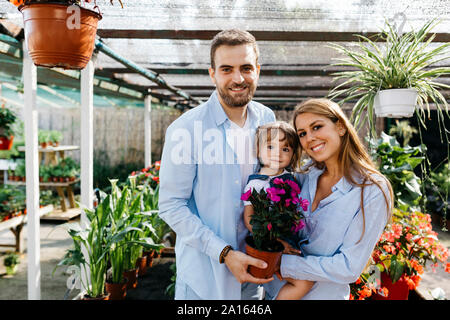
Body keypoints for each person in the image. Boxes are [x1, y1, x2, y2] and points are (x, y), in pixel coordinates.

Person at [158, 29, 277, 300]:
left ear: (257, 70)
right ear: (212, 74)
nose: (238, 78)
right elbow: (171, 205)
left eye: (246, 68)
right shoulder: (186, 129)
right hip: (205, 279)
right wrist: (224, 253)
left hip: (256, 276)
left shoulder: (267, 120)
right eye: (227, 69)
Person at [266, 98, 394, 300]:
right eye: (302, 134)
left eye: (317, 127)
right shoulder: (305, 175)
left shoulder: (372, 189)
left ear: (341, 127)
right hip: (273, 292)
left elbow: (348, 268)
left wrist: (282, 263)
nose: (310, 138)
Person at [241, 121, 315, 300]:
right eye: (271, 146)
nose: (277, 154)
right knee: (300, 282)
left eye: (285, 149)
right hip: (268, 243)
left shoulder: (294, 178)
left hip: (294, 241)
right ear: (258, 150)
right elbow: (249, 219)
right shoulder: (255, 184)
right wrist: (276, 240)